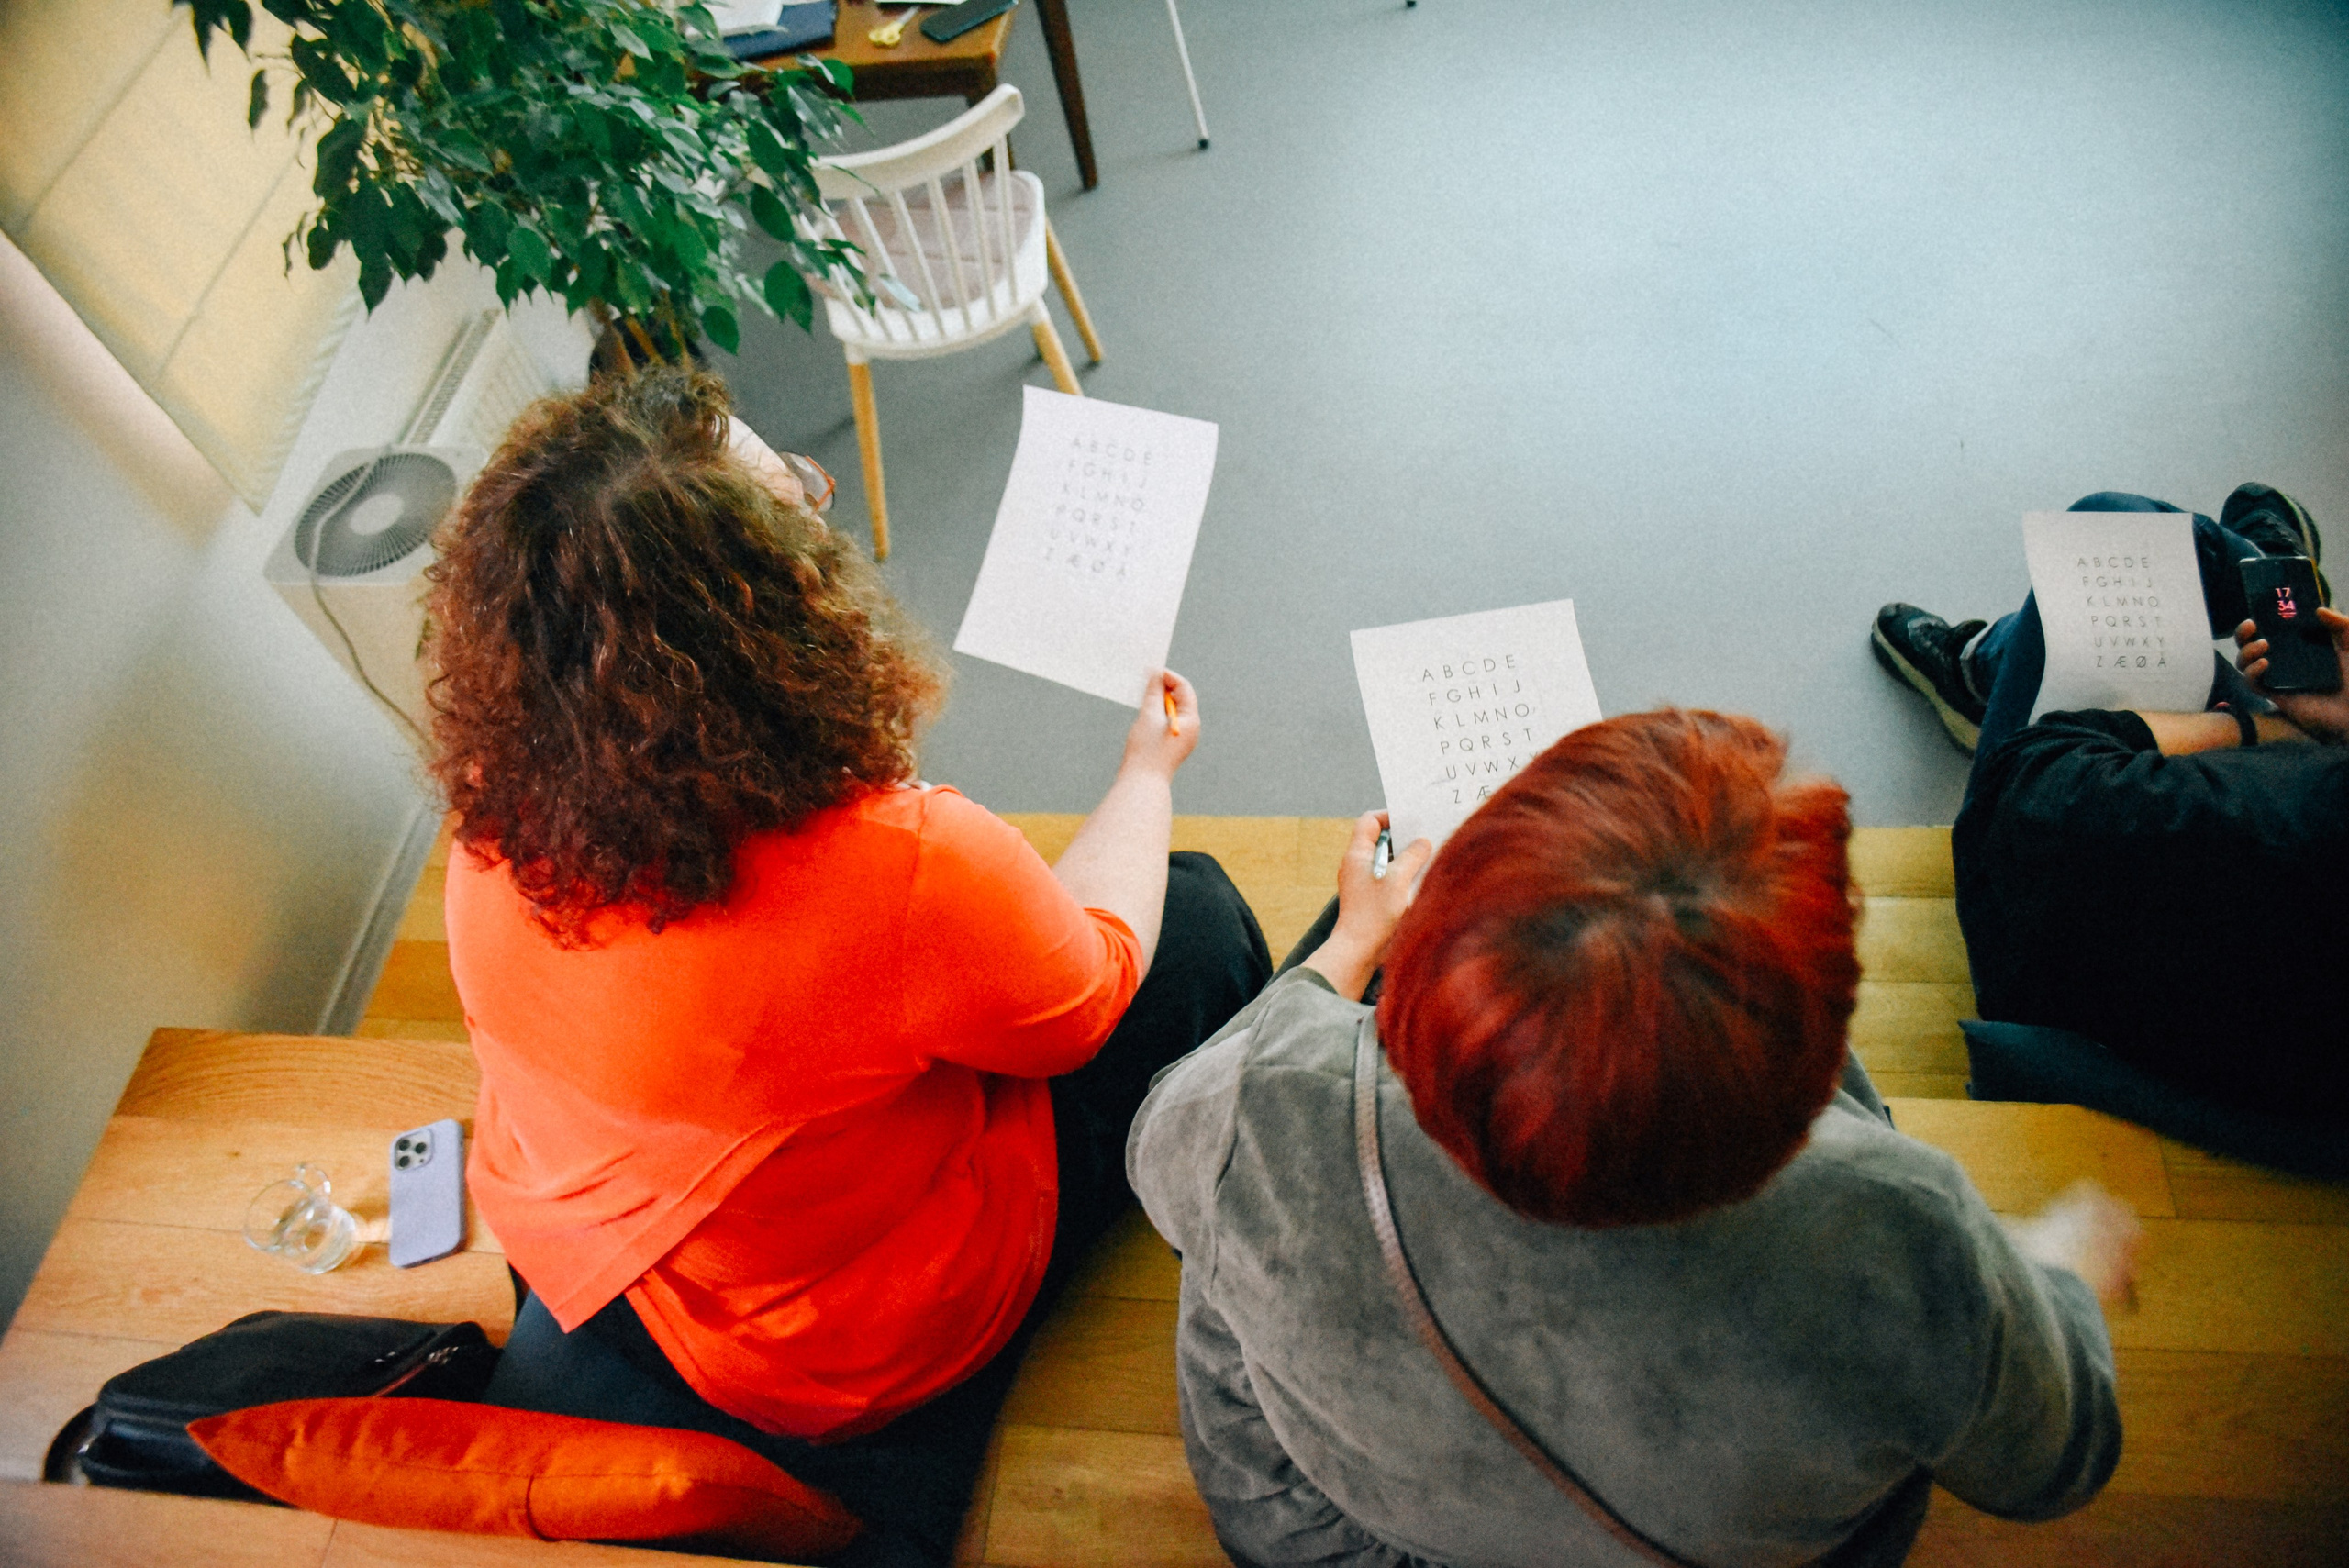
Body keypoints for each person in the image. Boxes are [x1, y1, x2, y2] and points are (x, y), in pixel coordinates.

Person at [422, 369, 1271, 1566]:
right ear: (765, 606)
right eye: (797, 509)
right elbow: (1084, 999)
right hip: (837, 1340)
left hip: (610, 1249)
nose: (818, 516)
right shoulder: (901, 864)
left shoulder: (486, 808)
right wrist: (1145, 773)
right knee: (1195, 918)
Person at [1130, 710, 2134, 1568]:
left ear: (1436, 983)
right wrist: (2060, 1273)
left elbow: (1155, 1151)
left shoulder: (1271, 1096)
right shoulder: (1901, 1226)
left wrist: (1349, 944)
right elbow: (2054, 1459)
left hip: (1338, 1531)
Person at [1872, 485, 2349, 1122]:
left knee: (2113, 529)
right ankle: (2273, 583)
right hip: (2267, 1020)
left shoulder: (2284, 820)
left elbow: (2027, 784)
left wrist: (2269, 731)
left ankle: (1983, 666)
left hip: (2061, 952)